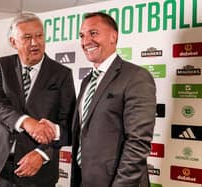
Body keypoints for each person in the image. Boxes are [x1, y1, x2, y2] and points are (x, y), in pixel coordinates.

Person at [0, 12, 76, 187]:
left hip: (38, 172)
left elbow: (67, 126)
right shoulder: (2, 65)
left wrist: (42, 154)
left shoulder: (62, 74)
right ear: (13, 42)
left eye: (39, 36)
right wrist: (25, 122)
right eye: (27, 37)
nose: (35, 43)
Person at [71, 12, 156, 187]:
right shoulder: (87, 80)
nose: (86, 41)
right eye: (82, 35)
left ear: (113, 36)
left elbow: (138, 142)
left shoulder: (136, 77)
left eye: (93, 33)